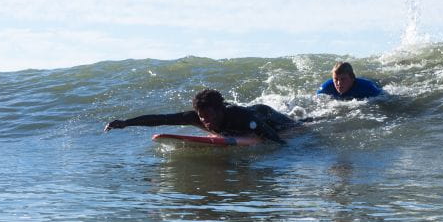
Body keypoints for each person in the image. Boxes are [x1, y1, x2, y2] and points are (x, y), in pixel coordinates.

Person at [104, 88, 298, 144]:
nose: (204, 120)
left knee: (297, 126)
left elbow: (273, 136)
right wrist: (126, 123)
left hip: (266, 116)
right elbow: (160, 118)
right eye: (201, 116)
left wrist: (280, 145)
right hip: (247, 122)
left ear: (220, 110)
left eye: (208, 115)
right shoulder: (195, 117)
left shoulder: (241, 117)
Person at [317, 61, 383, 100]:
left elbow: (383, 97)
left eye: (343, 79)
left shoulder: (368, 87)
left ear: (352, 78)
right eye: (336, 79)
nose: (339, 83)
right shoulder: (325, 89)